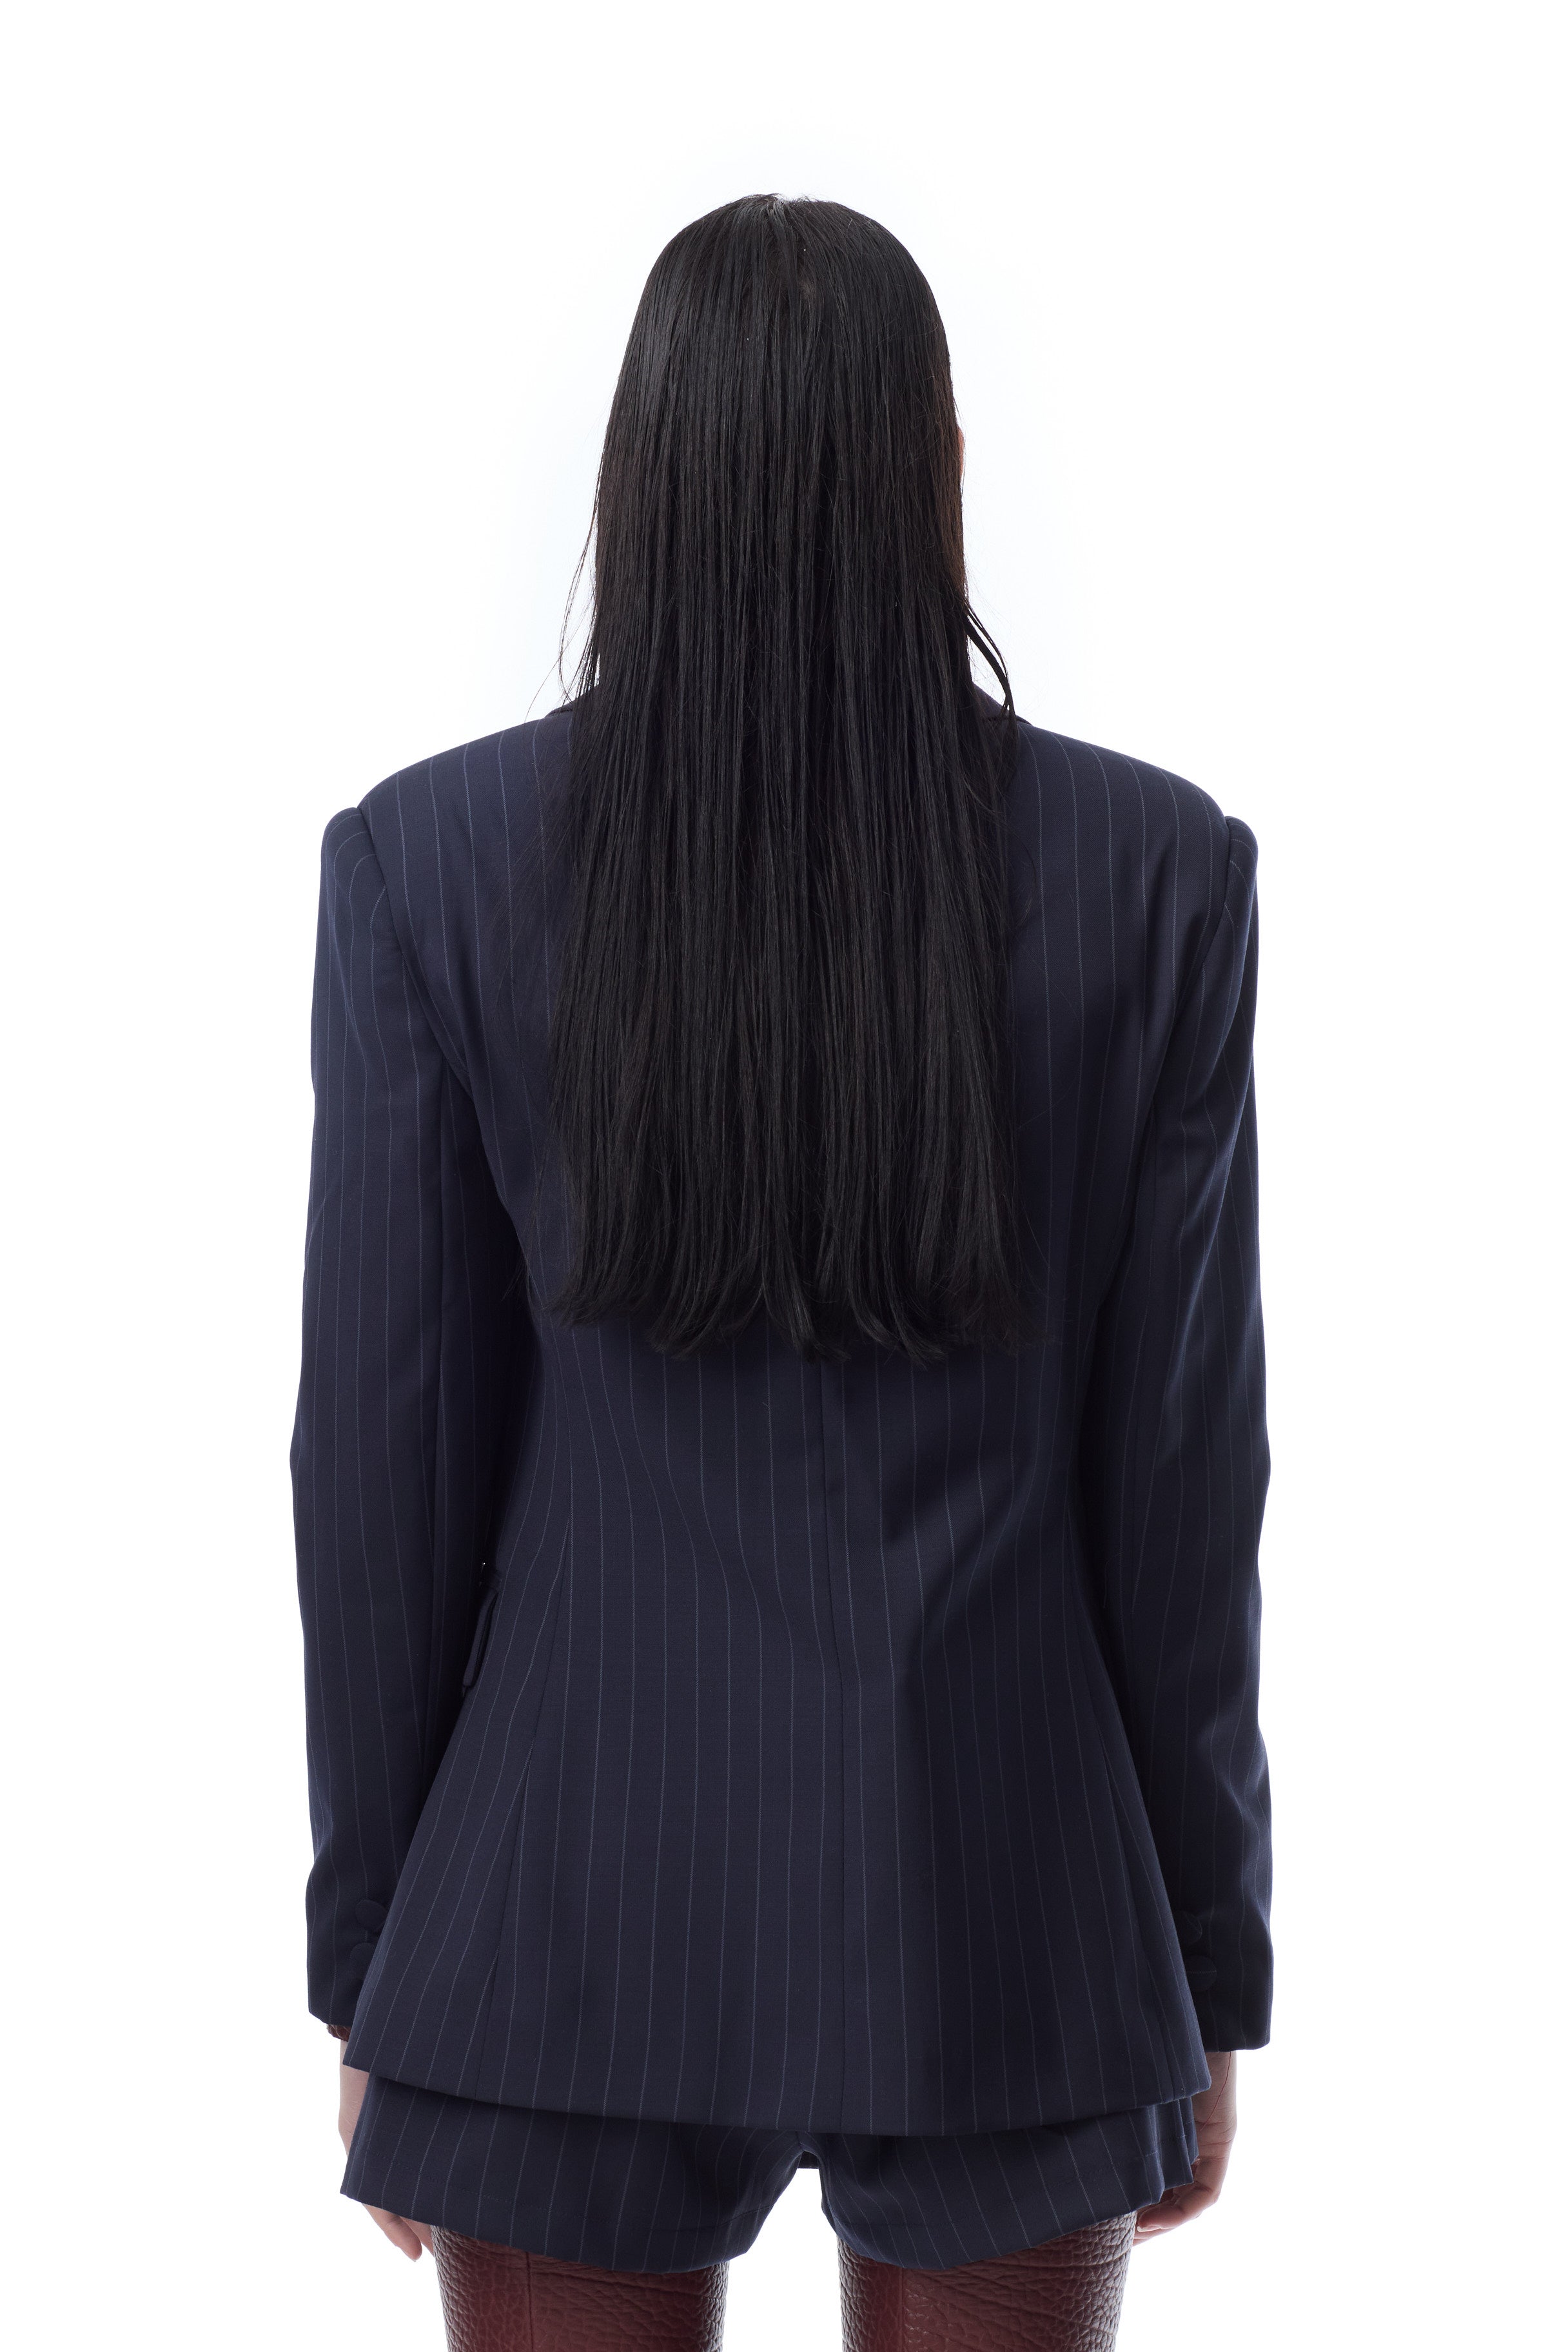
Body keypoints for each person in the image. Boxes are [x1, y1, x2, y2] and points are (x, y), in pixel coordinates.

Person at [291, 193, 1271, 2352]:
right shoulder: (1152, 878)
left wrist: (372, 1969)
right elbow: (1188, 1484)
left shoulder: (436, 866)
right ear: (936, 471)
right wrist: (1206, 1967)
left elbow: (378, 1467)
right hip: (1007, 1906)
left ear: (639, 478)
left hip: (561, 1903)